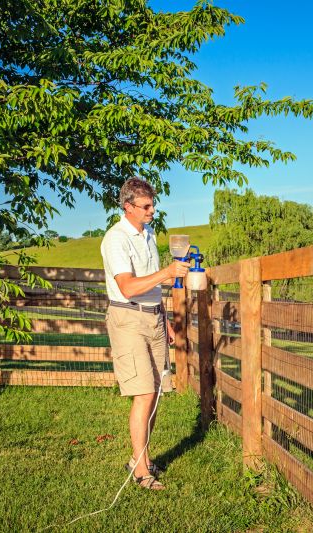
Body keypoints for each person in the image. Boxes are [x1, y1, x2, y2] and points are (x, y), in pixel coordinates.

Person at [100, 177, 190, 491]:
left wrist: (163, 316)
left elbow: (149, 285)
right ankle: (141, 471)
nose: (152, 211)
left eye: (153, 204)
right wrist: (168, 272)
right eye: (146, 206)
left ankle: (141, 457)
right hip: (127, 318)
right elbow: (127, 287)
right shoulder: (116, 239)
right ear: (128, 207)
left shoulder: (148, 233)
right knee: (144, 393)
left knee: (156, 394)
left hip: (152, 317)